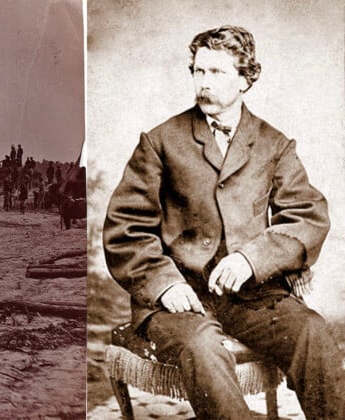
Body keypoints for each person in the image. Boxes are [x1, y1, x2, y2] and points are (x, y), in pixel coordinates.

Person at [102, 26, 344, 419]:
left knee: (312, 332)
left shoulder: (274, 144)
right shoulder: (161, 141)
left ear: (246, 78)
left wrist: (252, 259)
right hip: (179, 302)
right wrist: (165, 286)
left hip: (251, 298)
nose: (204, 83)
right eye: (198, 71)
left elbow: (307, 216)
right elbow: (125, 229)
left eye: (216, 73)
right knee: (202, 345)